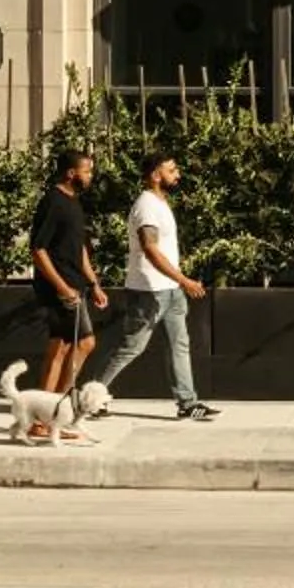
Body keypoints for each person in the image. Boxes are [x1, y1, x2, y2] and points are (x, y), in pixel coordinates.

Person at [94, 149, 219, 420]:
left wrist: (177, 284)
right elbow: (149, 249)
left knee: (179, 345)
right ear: (155, 175)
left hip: (170, 290)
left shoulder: (159, 203)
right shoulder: (146, 206)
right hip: (148, 291)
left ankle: (188, 403)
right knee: (132, 347)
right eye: (171, 170)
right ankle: (92, 395)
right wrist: (184, 280)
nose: (177, 174)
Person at [27, 149, 109, 436]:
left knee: (63, 346)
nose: (91, 176)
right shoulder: (53, 202)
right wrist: (62, 287)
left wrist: (94, 283)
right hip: (60, 288)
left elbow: (80, 249)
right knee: (76, 344)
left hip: (75, 286)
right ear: (71, 173)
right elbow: (38, 249)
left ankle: (50, 415)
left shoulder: (73, 203)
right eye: (87, 171)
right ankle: (45, 418)